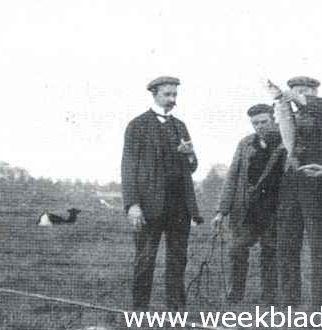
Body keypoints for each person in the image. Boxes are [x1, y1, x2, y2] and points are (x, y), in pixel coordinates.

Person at [121, 75, 203, 311]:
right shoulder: (137, 125)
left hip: (179, 206)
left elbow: (193, 166)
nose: (172, 99)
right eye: (167, 94)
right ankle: (139, 310)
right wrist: (132, 205)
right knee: (145, 258)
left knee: (178, 259)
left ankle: (176, 310)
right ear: (154, 94)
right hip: (149, 206)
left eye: (175, 94)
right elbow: (128, 167)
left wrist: (188, 155)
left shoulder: (180, 126)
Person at [272, 76, 322, 308]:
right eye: (295, 91)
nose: (298, 95)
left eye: (305, 91)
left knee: (318, 248)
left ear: (315, 92)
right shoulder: (290, 116)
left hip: (320, 190)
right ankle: (289, 302)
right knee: (286, 246)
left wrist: (296, 97)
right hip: (291, 189)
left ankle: (319, 306)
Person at [213, 104, 285, 304]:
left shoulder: (286, 142)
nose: (260, 126)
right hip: (247, 209)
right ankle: (235, 294)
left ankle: (269, 297)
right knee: (237, 250)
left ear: (274, 120)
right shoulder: (245, 144)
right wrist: (221, 211)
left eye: (264, 121)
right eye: (255, 123)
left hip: (275, 209)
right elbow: (232, 176)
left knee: (271, 252)